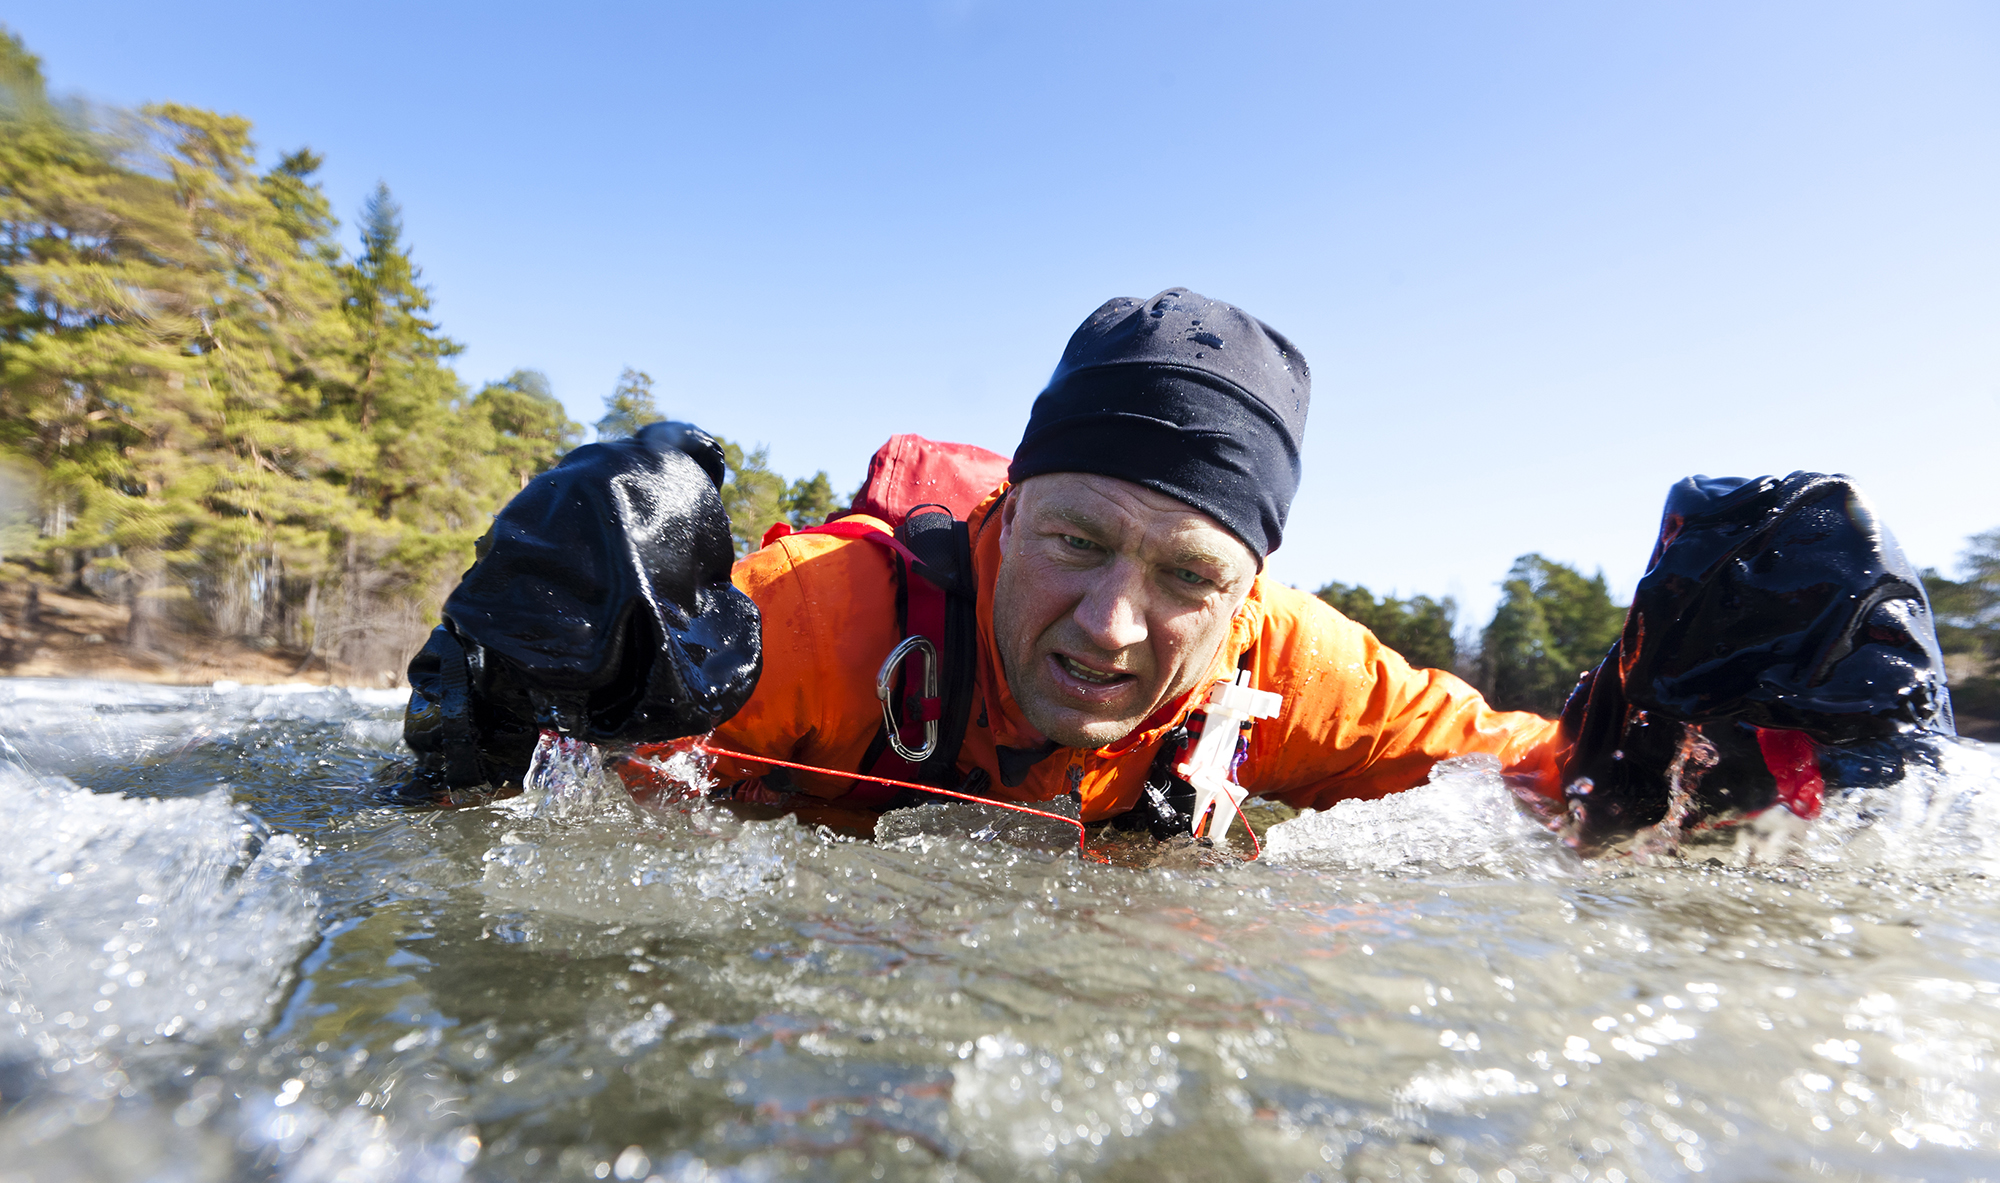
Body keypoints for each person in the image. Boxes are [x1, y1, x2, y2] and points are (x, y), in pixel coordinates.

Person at [401, 289, 1954, 846]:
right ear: (1012, 510)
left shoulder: (1294, 669)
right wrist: (516, 703)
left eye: (1187, 575)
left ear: (1248, 586)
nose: (1114, 619)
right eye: (1073, 540)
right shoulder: (831, 616)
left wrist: (1696, 744)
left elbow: (1542, 791)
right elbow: (514, 822)